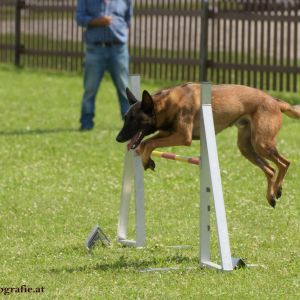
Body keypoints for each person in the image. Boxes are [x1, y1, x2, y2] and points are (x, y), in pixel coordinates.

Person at [76, 0, 132, 131]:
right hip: (94, 49)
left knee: (124, 89)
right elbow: (79, 19)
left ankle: (130, 124)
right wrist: (97, 21)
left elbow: (128, 19)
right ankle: (86, 123)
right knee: (90, 88)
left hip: (118, 50)